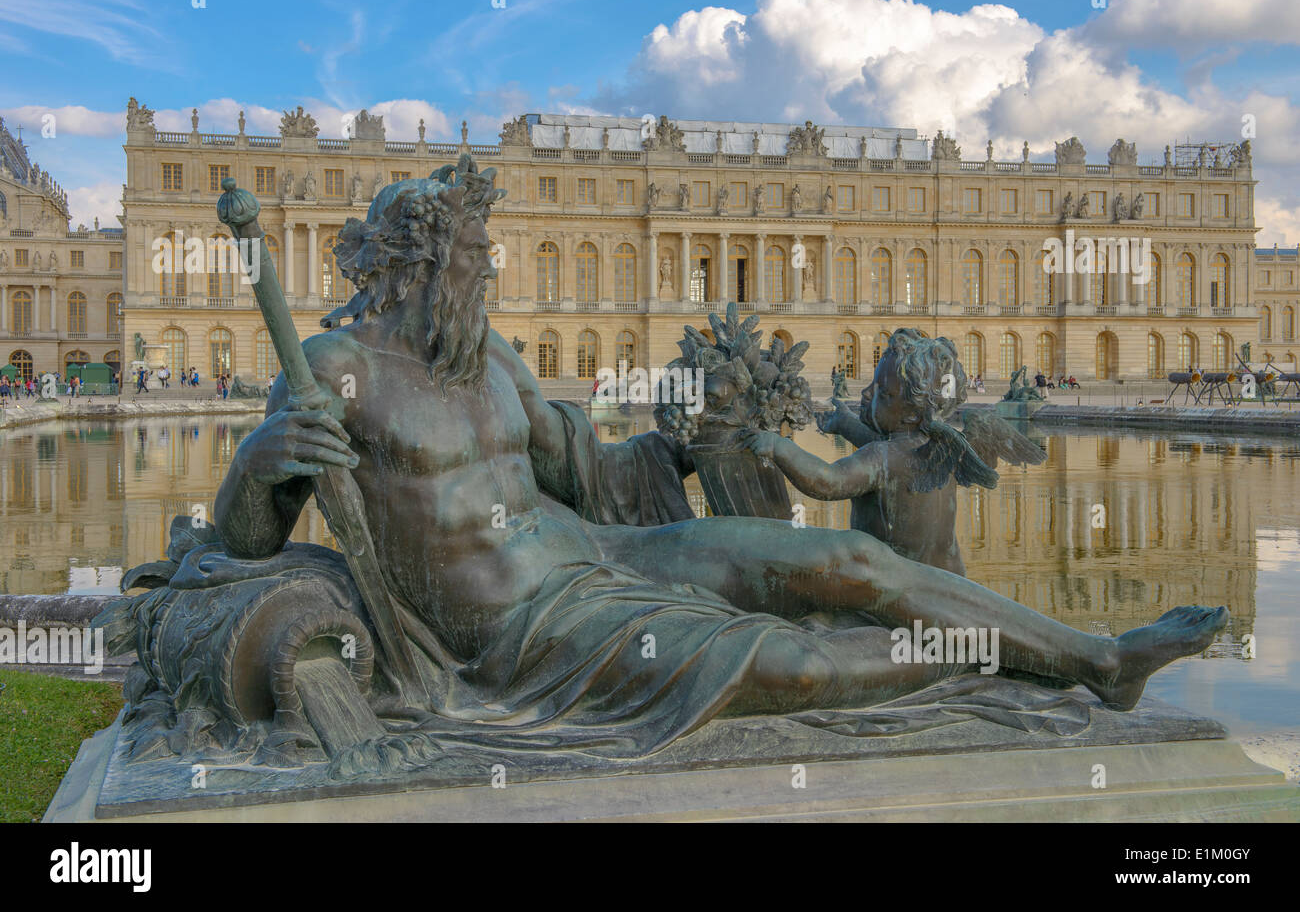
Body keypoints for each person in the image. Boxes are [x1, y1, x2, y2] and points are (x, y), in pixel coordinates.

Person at [210, 159, 1225, 754]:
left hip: (595, 553)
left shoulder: (495, 357)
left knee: (847, 565)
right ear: (419, 265)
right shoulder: (332, 369)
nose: (488, 268)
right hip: (512, 625)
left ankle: (1095, 660)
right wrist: (259, 462)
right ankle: (998, 671)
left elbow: (588, 478)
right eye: (474, 256)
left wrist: (689, 440)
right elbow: (241, 545)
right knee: (792, 661)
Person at [747, 330, 1044, 576]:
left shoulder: (881, 457)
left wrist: (779, 446)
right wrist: (846, 425)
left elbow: (827, 481)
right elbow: (888, 456)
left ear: (912, 416)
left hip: (899, 587)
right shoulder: (942, 448)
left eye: (882, 393)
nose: (866, 394)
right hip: (949, 583)